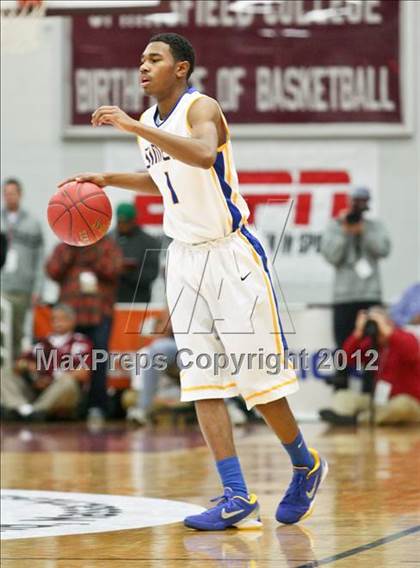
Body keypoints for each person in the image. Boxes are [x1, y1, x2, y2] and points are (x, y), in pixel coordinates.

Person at [59, 33, 327, 529]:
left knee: (259, 384)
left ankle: (304, 463)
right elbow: (163, 176)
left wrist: (130, 125)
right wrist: (109, 178)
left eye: (154, 59)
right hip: (182, 260)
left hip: (231, 256)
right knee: (201, 382)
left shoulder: (203, 108)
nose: (143, 66)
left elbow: (202, 156)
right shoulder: (149, 127)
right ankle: (235, 496)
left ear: (180, 69)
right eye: (140, 59)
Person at [45, 236, 123, 422]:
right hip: (69, 315)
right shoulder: (64, 245)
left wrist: (89, 252)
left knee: (98, 360)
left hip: (98, 313)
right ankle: (69, 407)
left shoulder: (107, 245)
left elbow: (114, 271)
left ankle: (97, 406)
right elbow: (52, 271)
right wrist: (72, 249)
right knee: (63, 361)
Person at [321, 187, 391, 389]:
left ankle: (369, 393)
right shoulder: (335, 227)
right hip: (344, 297)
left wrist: (364, 232)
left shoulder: (374, 226)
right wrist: (344, 233)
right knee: (343, 347)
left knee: (372, 348)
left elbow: (384, 250)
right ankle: (341, 393)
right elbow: (331, 256)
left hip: (370, 294)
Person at [319, 308, 420, 425]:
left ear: (389, 322)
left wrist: (387, 330)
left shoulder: (406, 337)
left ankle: (358, 420)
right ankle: (356, 417)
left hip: (410, 402)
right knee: (342, 397)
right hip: (380, 402)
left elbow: (411, 351)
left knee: (402, 405)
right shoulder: (372, 344)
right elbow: (345, 359)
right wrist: (358, 332)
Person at [0, 303, 92, 422]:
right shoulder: (43, 342)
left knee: (68, 382)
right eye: (54, 319)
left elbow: (84, 373)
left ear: (72, 321)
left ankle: (37, 411)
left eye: (62, 319)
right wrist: (28, 366)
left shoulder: (81, 342)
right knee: (4, 373)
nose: (58, 322)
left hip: (61, 393)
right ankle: (22, 408)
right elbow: (18, 365)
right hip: (38, 391)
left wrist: (53, 381)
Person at [1, 178, 44, 360]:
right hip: (2, 284)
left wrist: (37, 288)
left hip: (22, 287)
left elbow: (40, 259)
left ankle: (14, 371)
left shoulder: (32, 223)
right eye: (6, 193)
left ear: (20, 195)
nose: (9, 197)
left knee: (17, 332)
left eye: (13, 193)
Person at [111, 202, 160, 303]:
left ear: (134, 220)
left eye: (126, 222)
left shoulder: (149, 242)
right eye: (120, 221)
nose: (123, 225)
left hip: (138, 300)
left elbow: (152, 273)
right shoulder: (108, 239)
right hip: (110, 301)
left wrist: (128, 272)